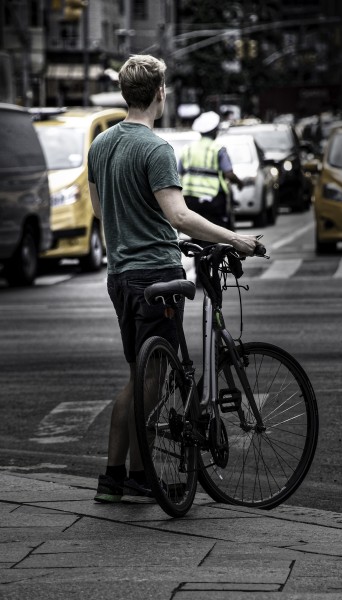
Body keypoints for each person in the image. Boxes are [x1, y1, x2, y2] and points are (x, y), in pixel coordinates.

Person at [87, 54, 261, 505]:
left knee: (139, 371)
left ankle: (115, 477)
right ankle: (141, 477)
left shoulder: (101, 146)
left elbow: (101, 212)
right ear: (160, 93)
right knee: (152, 375)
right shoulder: (156, 148)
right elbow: (180, 216)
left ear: (127, 93)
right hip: (156, 274)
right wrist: (236, 239)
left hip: (119, 274)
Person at [178, 110, 242, 241]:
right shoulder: (218, 148)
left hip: (190, 199)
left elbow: (179, 172)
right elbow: (228, 173)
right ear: (214, 131)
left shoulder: (188, 149)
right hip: (213, 199)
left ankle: (199, 260)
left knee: (196, 233)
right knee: (215, 233)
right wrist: (240, 183)